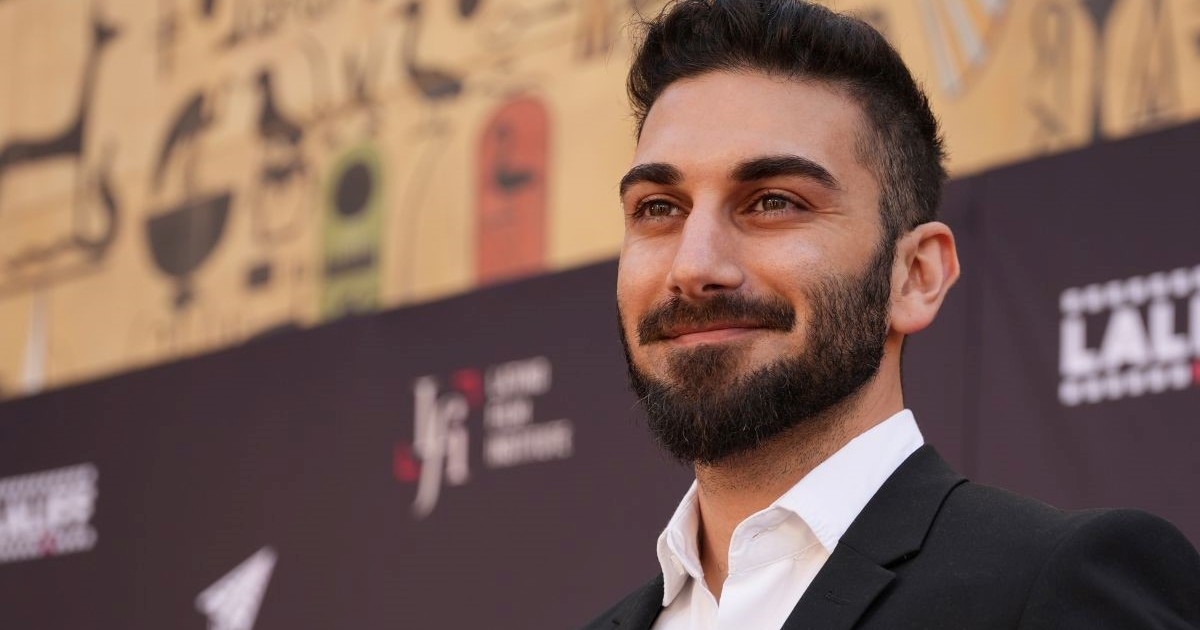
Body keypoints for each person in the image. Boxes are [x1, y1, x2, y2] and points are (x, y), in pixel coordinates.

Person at [583, 1, 1200, 628]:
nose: (693, 265)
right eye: (658, 208)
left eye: (773, 201)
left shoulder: (1059, 585)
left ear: (915, 276)